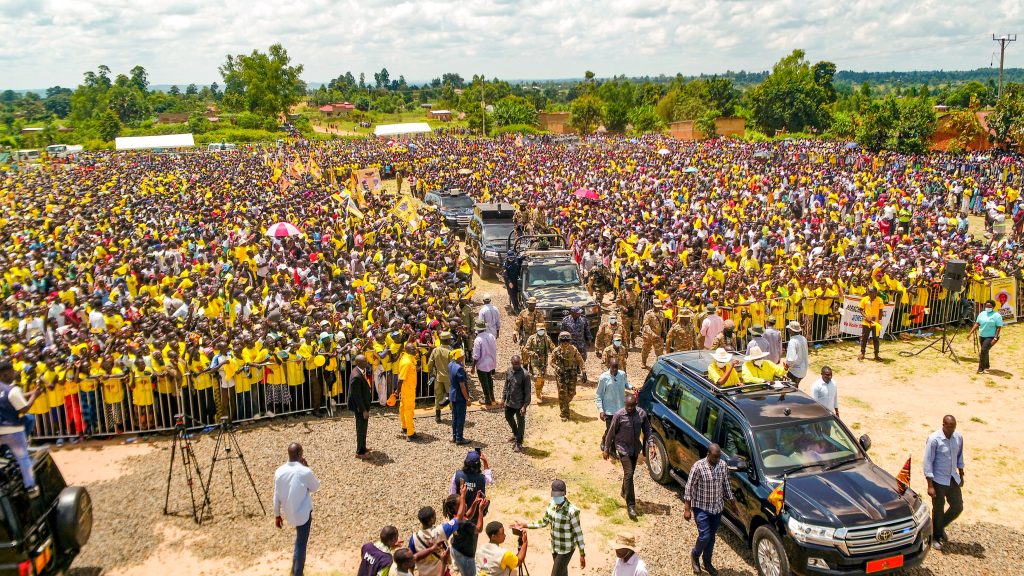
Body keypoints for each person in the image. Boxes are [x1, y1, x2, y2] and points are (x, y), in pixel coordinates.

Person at [683, 444, 735, 576]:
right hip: (701, 508)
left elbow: (727, 485)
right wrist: (687, 509)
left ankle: (707, 562)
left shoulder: (722, 465)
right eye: (715, 457)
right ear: (708, 454)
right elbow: (689, 488)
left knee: (711, 538)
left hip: (717, 509)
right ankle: (695, 555)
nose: (717, 459)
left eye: (719, 457)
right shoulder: (698, 467)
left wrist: (733, 503)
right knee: (704, 535)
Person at [274, 443, 321, 576]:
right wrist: (307, 467)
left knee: (298, 540)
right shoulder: (304, 471)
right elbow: (315, 487)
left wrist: (277, 515)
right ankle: (297, 573)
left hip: (289, 513)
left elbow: (276, 496)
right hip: (303, 514)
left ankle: (293, 569)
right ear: (300, 454)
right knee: (301, 544)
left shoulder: (279, 471)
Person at [603, 394, 651, 521]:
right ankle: (631, 506)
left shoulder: (642, 414)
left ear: (635, 404)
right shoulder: (619, 415)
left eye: (631, 406)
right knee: (629, 474)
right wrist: (606, 449)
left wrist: (651, 445)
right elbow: (611, 432)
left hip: (635, 449)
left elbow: (647, 430)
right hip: (623, 448)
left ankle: (624, 491)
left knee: (630, 474)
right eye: (627, 406)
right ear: (625, 404)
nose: (629, 409)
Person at [523, 479, 586, 576]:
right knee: (562, 573)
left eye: (559, 495)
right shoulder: (551, 505)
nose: (556, 497)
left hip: (566, 549)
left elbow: (578, 533)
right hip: (555, 547)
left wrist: (582, 554)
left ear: (564, 493)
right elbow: (544, 522)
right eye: (554, 495)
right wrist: (526, 525)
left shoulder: (572, 511)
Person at [0, 360, 43, 496]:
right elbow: (24, 409)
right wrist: (34, 396)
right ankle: (31, 488)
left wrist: (30, 393)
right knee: (23, 458)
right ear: (9, 373)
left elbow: (12, 398)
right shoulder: (13, 389)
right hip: (14, 431)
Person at [924, 415, 965, 551]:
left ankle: (939, 528)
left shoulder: (958, 437)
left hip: (952, 478)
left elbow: (960, 456)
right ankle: (936, 537)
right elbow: (928, 462)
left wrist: (961, 474)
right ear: (943, 425)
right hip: (938, 480)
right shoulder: (934, 439)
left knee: (958, 506)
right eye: (950, 427)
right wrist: (930, 485)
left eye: (954, 427)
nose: (952, 430)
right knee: (938, 510)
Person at [596, 358, 630, 452]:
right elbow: (599, 395)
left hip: (620, 408)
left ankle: (613, 449)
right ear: (609, 366)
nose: (615, 369)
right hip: (609, 410)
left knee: (619, 429)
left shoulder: (622, 374)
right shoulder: (603, 378)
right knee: (611, 430)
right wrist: (601, 410)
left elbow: (626, 384)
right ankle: (606, 443)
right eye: (613, 367)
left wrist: (632, 387)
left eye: (616, 367)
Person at [409, 506, 455, 576]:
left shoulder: (414, 538)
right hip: (442, 572)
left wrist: (411, 573)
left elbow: (411, 559)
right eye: (434, 515)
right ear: (431, 520)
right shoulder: (441, 531)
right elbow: (458, 519)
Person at [550, 332, 584, 421]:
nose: (565, 342)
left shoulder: (573, 349)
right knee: (562, 393)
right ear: (560, 340)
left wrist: (584, 371)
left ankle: (564, 403)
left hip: (572, 373)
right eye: (563, 340)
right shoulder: (556, 351)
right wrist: (557, 368)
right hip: (561, 374)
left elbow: (580, 360)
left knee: (571, 393)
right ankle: (564, 414)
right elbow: (552, 362)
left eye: (567, 340)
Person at [503, 355, 531, 451]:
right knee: (508, 417)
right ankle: (515, 434)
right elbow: (506, 385)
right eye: (515, 364)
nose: (517, 365)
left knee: (521, 422)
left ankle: (519, 442)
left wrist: (525, 406)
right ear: (512, 363)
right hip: (510, 402)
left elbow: (528, 392)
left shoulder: (525, 375)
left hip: (520, 404)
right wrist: (503, 399)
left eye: (518, 363)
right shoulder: (509, 371)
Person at [968, 299, 1003, 374]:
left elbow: (998, 327)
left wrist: (995, 338)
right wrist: (970, 332)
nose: (987, 308)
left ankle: (981, 369)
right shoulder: (982, 313)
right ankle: (987, 365)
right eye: (986, 306)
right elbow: (977, 323)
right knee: (985, 350)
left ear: (993, 307)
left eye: (989, 306)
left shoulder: (997, 315)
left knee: (983, 351)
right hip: (982, 335)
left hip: (991, 336)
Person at [349, 354, 373, 458]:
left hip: (363, 405)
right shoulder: (356, 376)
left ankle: (363, 446)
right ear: (358, 363)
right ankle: (360, 452)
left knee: (363, 427)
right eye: (364, 362)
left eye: (366, 361)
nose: (366, 363)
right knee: (361, 428)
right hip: (360, 407)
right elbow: (357, 396)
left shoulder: (359, 371)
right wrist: (364, 410)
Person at [523, 326, 555, 402]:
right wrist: (532, 353)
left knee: (542, 378)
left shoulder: (547, 338)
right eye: (539, 330)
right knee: (538, 377)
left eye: (542, 330)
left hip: (544, 362)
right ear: (537, 330)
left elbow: (553, 348)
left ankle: (540, 391)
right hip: (535, 361)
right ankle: (538, 396)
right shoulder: (532, 338)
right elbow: (526, 349)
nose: (541, 331)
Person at [472, 320, 498, 406]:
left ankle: (487, 399)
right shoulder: (491, 336)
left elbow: (476, 356)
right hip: (491, 362)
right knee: (489, 378)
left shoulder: (477, 340)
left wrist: (473, 367)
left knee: (484, 381)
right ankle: (492, 396)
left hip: (482, 364)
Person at [448, 349, 471, 445]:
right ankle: (459, 438)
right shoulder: (460, 368)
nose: (464, 356)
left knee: (455, 417)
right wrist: (467, 398)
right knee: (461, 417)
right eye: (463, 355)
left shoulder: (450, 365)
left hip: (453, 394)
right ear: (459, 357)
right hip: (460, 396)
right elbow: (462, 386)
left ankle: (454, 436)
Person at [397, 343, 419, 441]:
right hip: (408, 390)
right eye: (413, 349)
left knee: (403, 408)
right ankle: (410, 433)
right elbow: (401, 379)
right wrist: (397, 391)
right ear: (407, 350)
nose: (415, 350)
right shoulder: (407, 362)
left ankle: (405, 426)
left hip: (407, 388)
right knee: (409, 410)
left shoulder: (408, 358)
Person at [858, 286, 885, 361]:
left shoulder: (880, 300)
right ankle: (862, 353)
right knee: (864, 338)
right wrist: (866, 317)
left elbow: (881, 311)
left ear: (876, 293)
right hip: (866, 323)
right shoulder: (864, 299)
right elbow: (860, 309)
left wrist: (879, 320)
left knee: (876, 339)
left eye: (871, 292)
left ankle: (876, 355)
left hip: (875, 323)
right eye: (869, 292)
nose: (869, 293)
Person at [640, 300, 666, 368]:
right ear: (653, 305)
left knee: (659, 351)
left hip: (658, 336)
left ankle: (660, 365)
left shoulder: (662, 314)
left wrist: (663, 331)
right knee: (646, 349)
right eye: (657, 306)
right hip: (648, 336)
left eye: (659, 306)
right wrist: (653, 334)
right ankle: (643, 362)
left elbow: (663, 324)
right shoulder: (648, 313)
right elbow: (646, 325)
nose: (658, 308)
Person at [783, 320, 809, 386]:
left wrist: (786, 366)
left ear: (791, 330)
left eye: (789, 329)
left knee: (791, 389)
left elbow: (791, 359)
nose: (788, 330)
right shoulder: (803, 338)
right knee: (795, 386)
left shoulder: (792, 341)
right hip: (803, 369)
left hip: (795, 371)